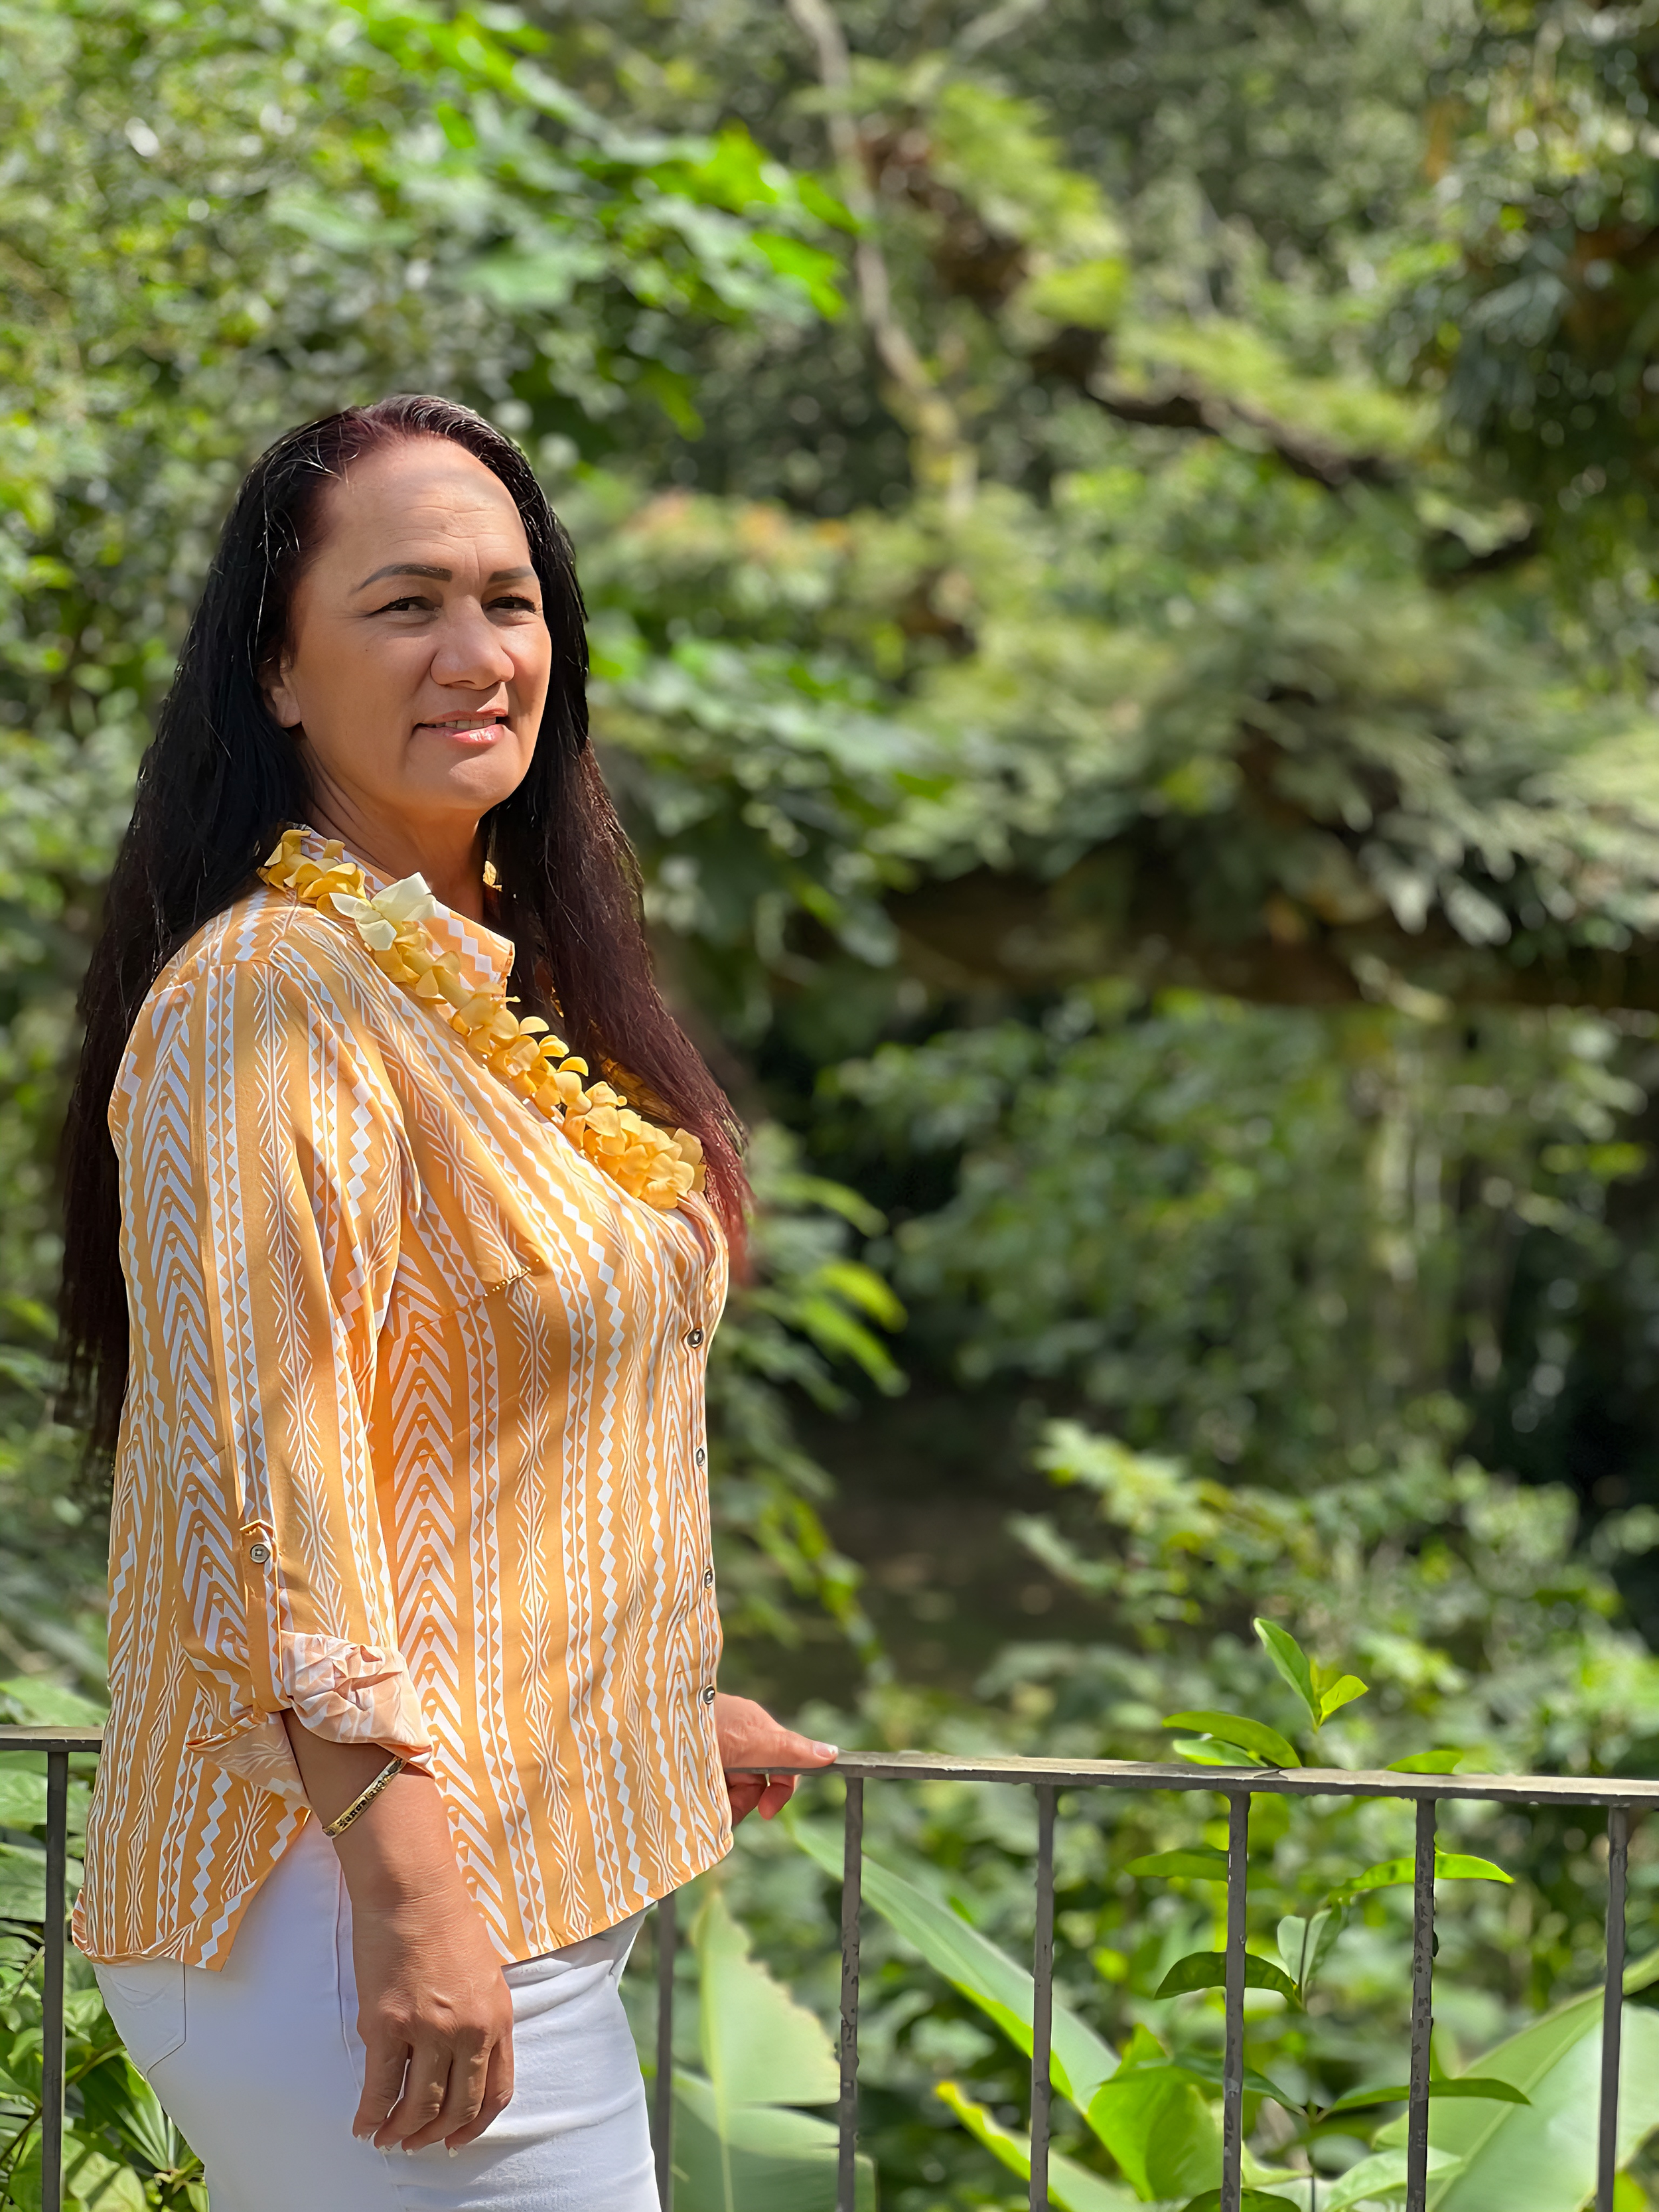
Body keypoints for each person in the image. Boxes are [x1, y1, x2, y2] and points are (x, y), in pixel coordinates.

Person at [57, 393, 837, 2211]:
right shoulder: (269, 998)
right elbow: (282, 1486)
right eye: (404, 605)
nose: (478, 655)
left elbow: (479, 1442)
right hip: (353, 1898)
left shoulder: (484, 979)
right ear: (274, 671)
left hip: (487, 1870)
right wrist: (410, 1895)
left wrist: (641, 1701)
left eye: (512, 599)